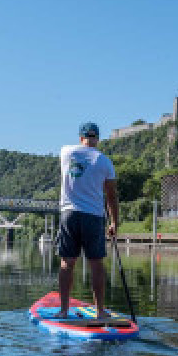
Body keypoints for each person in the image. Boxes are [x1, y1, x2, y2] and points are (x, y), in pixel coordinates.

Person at [57, 122, 118, 318]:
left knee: (67, 263)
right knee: (96, 264)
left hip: (70, 214)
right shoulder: (105, 162)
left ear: (81, 138)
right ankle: (100, 312)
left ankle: (64, 311)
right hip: (93, 216)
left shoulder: (66, 152)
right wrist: (114, 222)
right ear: (98, 139)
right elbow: (111, 195)